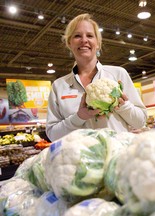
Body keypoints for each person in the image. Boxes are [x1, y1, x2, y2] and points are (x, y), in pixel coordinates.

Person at [46, 13, 147, 142]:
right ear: (69, 43)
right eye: (77, 36)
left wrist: (123, 106)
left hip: (117, 158)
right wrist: (79, 117)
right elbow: (52, 135)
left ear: (97, 43)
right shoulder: (59, 86)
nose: (84, 40)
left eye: (89, 35)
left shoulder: (118, 74)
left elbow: (140, 122)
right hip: (81, 159)